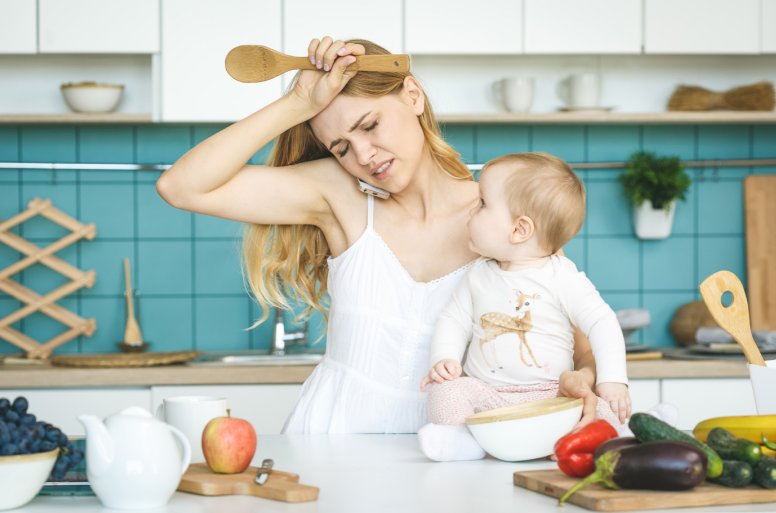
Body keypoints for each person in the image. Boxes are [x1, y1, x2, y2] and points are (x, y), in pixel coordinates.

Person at [157, 37, 603, 434]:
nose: (364, 155)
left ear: (413, 95)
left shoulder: (507, 219)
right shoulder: (340, 196)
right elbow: (180, 186)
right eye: (342, 147)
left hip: (451, 446)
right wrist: (298, 102)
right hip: (330, 441)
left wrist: (581, 382)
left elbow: (581, 353)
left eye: (369, 126)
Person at [418, 152, 630, 461]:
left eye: (483, 204)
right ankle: (466, 441)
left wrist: (612, 380)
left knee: (604, 403)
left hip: (554, 396)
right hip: (490, 398)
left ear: (519, 229)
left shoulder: (562, 276)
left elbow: (602, 322)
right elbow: (453, 319)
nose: (471, 212)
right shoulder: (477, 275)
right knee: (444, 391)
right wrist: (444, 358)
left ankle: (623, 434)